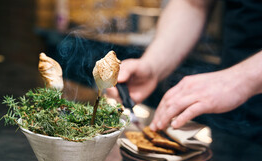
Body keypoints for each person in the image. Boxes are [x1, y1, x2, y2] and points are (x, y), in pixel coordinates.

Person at [107, 0, 262, 139]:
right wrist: (153, 65)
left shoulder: (234, 82)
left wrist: (241, 79)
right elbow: (192, 4)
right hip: (231, 118)